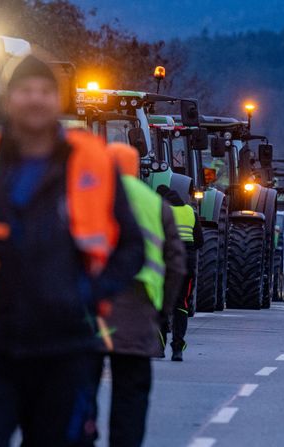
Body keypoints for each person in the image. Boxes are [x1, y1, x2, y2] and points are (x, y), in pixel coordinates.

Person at [0, 55, 144, 447]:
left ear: (59, 100)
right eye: (26, 90)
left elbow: (130, 246)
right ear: (9, 99)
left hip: (66, 349)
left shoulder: (93, 163)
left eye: (45, 92)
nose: (35, 99)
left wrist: (90, 293)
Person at [105, 143, 187, 446]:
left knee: (79, 393)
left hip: (89, 311)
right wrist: (162, 311)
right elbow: (176, 264)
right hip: (138, 310)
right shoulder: (156, 204)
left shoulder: (83, 195)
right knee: (130, 394)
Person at [158, 187, 204, 361]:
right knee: (181, 305)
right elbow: (200, 241)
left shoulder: (160, 210)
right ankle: (178, 348)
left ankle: (159, 346)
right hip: (186, 265)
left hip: (165, 264)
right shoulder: (190, 211)